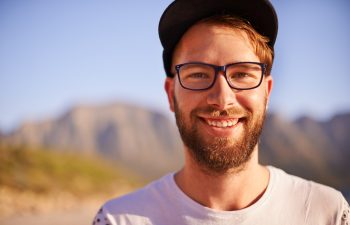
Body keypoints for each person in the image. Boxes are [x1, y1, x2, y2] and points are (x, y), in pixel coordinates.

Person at [93, 0, 350, 224]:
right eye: (198, 74)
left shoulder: (327, 213)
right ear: (170, 94)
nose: (222, 99)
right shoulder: (118, 219)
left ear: (267, 92)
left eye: (241, 74)